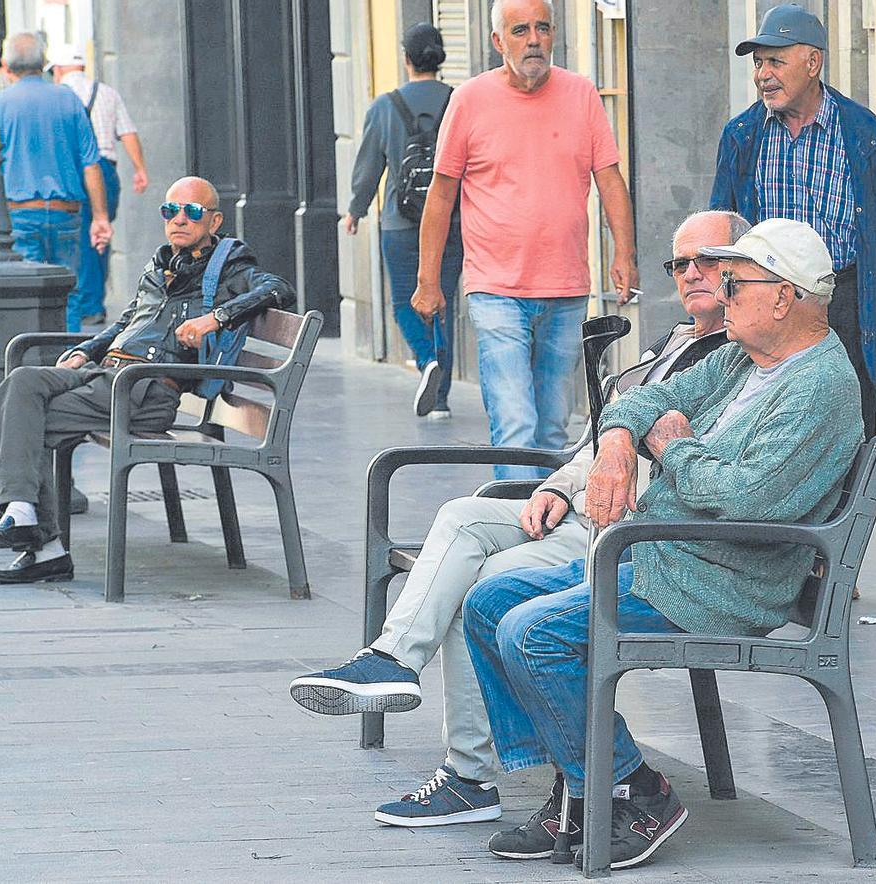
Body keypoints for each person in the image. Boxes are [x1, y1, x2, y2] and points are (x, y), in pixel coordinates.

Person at [289, 210, 747, 827]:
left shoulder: (743, 361)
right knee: (460, 515)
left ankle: (470, 776)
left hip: (633, 536)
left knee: (476, 590)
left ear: (752, 269)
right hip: (582, 512)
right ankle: (392, 659)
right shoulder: (671, 344)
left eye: (709, 261)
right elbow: (600, 436)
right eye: (680, 263)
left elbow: (706, 469)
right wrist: (558, 485)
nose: (692, 274)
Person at [461, 218, 864, 870]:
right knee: (488, 602)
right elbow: (650, 398)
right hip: (662, 555)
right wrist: (620, 442)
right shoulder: (741, 355)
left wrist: (673, 448)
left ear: (786, 296)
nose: (722, 294)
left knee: (534, 635)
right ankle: (580, 790)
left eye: (736, 282)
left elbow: (748, 502)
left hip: (720, 579)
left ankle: (634, 792)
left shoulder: (821, 386)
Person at [0, 176, 295, 585]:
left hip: (145, 390)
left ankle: (38, 538)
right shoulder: (161, 265)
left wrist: (215, 318)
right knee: (18, 386)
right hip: (108, 374)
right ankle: (27, 519)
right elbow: (130, 322)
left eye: (192, 212)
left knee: (19, 416)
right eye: (170, 210)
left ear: (214, 221)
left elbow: (278, 289)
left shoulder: (232, 265)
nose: (179, 219)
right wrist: (86, 350)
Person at [411, 0, 638, 478]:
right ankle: (517, 529)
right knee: (516, 424)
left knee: (555, 429)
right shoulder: (469, 100)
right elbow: (441, 193)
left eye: (541, 28)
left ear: (553, 34)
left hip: (566, 286)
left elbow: (610, 179)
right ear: (499, 42)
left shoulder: (581, 94)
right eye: (520, 30)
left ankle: (549, 531)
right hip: (495, 288)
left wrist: (625, 254)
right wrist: (428, 280)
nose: (533, 39)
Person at [709, 3, 876, 440]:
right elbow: (723, 229)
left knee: (851, 427)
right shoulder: (741, 135)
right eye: (758, 63)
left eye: (775, 60)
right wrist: (714, 299)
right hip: (768, 300)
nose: (763, 74)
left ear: (812, 62)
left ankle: (849, 510)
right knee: (771, 425)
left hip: (849, 300)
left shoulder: (865, 134)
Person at [346, 24, 462, 419]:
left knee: (402, 303)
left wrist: (356, 210)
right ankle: (441, 397)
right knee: (441, 301)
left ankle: (426, 357)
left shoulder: (384, 107)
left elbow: (368, 168)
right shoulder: (458, 101)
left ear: (406, 58)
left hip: (399, 221)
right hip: (450, 219)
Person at [0, 32, 112, 333]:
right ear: (44, 62)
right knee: (69, 292)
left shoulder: (0, 103)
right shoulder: (67, 99)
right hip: (66, 211)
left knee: (26, 294)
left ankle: (32, 364)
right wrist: (100, 217)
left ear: (7, 64)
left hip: (21, 211)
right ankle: (68, 363)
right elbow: (91, 163)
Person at [49, 45, 150, 329]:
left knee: (77, 237)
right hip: (106, 169)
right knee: (100, 237)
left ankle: (81, 304)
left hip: (74, 170)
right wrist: (140, 169)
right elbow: (128, 132)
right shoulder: (107, 92)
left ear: (58, 69)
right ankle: (95, 303)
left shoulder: (59, 96)